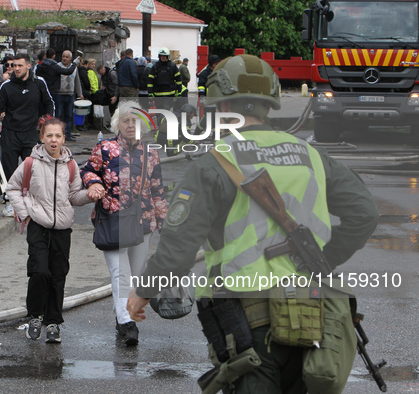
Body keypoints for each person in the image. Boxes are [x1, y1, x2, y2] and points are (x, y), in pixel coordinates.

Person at [127, 54, 379, 392]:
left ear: (221, 103)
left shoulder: (215, 162)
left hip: (248, 320)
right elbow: (365, 214)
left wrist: (144, 291)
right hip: (313, 310)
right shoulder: (311, 155)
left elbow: (180, 245)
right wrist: (322, 258)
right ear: (270, 103)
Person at [80, 101, 168, 346]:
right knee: (121, 274)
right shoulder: (105, 148)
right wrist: (93, 184)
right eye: (126, 120)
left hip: (143, 222)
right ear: (118, 123)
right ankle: (128, 323)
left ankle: (122, 316)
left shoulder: (151, 152)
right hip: (112, 220)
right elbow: (87, 171)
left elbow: (158, 188)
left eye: (135, 121)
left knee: (137, 275)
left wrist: (164, 222)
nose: (131, 125)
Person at [5, 116, 93, 343]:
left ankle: (53, 322)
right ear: (41, 137)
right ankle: (35, 316)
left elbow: (73, 197)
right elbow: (12, 188)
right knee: (40, 271)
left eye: (58, 136)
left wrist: (90, 195)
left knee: (58, 275)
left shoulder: (71, 165)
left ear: (64, 138)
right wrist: (25, 214)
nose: (53, 140)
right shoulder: (30, 163)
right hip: (38, 225)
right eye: (49, 135)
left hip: (63, 228)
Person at [0, 53, 55, 217]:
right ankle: (10, 202)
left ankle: (30, 202)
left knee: (32, 169)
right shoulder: (6, 86)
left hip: (31, 133)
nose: (16, 68)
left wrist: (48, 124)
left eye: (20, 65)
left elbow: (49, 103)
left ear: (29, 66)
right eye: (14, 65)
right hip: (10, 134)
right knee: (10, 170)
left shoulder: (38, 83)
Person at [55, 50, 84, 141]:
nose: (64, 58)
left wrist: (80, 93)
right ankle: (57, 134)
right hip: (59, 94)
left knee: (69, 116)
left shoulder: (74, 68)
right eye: (63, 56)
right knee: (58, 115)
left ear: (70, 58)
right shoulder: (58, 66)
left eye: (67, 57)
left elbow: (77, 81)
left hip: (70, 94)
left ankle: (67, 134)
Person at [147, 47, 182, 111]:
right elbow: (150, 80)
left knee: (166, 111)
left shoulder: (172, 66)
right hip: (158, 94)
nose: (163, 57)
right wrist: (150, 92)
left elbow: (178, 80)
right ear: (159, 56)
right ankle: (159, 120)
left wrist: (179, 91)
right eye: (162, 56)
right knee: (159, 112)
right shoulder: (155, 66)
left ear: (167, 57)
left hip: (169, 94)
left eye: (165, 56)